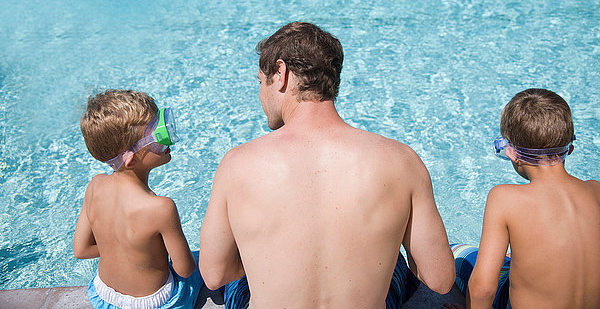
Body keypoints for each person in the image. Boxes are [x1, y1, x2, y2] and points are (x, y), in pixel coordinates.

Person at [199, 22, 455, 308]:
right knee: (392, 260)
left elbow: (214, 273)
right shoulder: (402, 161)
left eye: (261, 81)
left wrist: (269, 258)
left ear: (281, 74)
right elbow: (440, 278)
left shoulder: (237, 164)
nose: (261, 95)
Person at [444, 88, 600, 309]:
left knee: (454, 253)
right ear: (570, 149)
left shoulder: (505, 199)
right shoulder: (595, 191)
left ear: (511, 152)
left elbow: (482, 289)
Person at [74, 89, 202, 309]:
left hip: (103, 298)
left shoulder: (94, 186)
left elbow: (81, 250)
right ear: (131, 160)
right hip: (158, 304)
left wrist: (123, 249)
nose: (167, 137)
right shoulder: (161, 208)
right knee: (207, 260)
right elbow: (184, 269)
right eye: (157, 135)